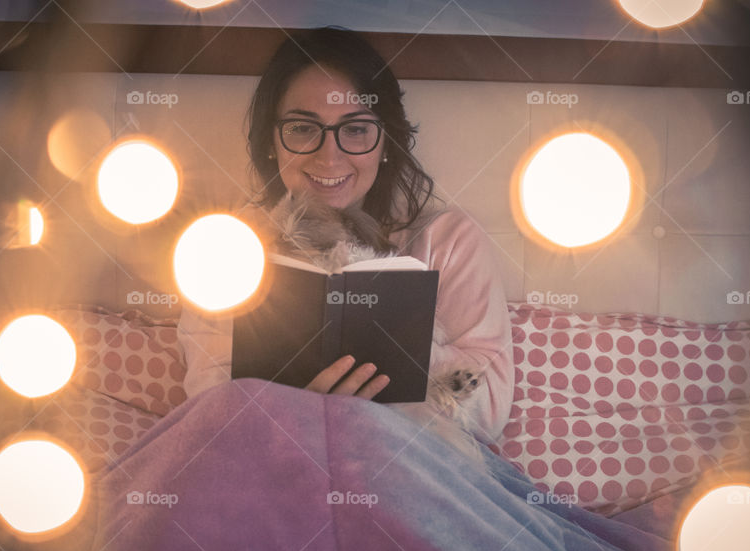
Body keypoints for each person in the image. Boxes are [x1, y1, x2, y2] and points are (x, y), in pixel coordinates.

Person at [177, 26, 514, 445]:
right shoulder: (229, 246)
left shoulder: (448, 241)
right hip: (274, 457)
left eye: (355, 129)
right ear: (271, 141)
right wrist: (299, 409)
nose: (329, 155)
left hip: (412, 465)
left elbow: (490, 408)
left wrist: (388, 361)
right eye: (302, 128)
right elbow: (210, 401)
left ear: (384, 141)